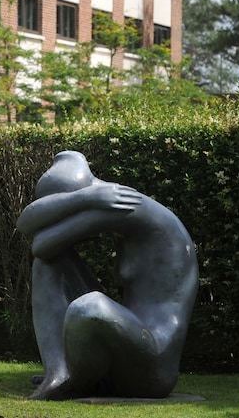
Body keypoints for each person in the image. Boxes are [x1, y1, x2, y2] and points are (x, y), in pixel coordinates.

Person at [17, 151, 198, 400]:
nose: (58, 213)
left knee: (89, 306)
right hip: (130, 346)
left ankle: (71, 378)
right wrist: (85, 198)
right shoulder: (100, 197)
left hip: (154, 365)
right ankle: (59, 374)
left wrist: (81, 200)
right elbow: (28, 227)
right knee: (47, 265)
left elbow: (40, 243)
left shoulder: (125, 203)